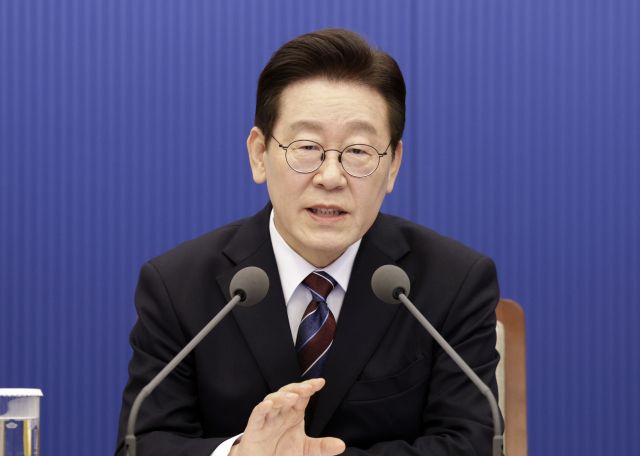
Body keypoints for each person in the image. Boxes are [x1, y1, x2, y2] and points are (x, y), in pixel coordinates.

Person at [115, 28, 501, 456]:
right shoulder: (178, 286)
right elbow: (142, 443)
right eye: (306, 147)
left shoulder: (452, 283)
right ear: (259, 154)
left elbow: (473, 444)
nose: (331, 177)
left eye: (358, 151)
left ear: (393, 165)